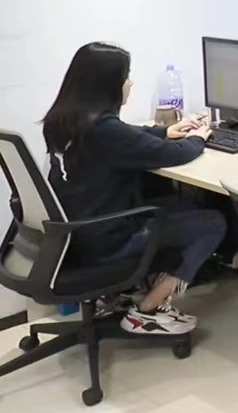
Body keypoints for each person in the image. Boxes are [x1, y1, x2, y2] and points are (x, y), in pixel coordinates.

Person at [41, 42, 224, 336]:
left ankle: (128, 293)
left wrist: (163, 131)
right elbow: (174, 155)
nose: (130, 83)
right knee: (213, 222)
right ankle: (148, 309)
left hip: (78, 235)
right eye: (125, 77)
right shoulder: (104, 131)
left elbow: (126, 135)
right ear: (107, 85)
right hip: (110, 242)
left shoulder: (63, 121)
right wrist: (198, 138)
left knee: (184, 206)